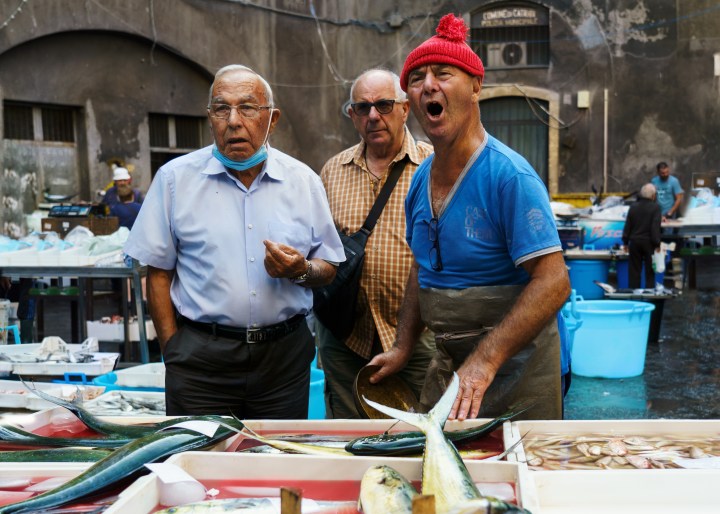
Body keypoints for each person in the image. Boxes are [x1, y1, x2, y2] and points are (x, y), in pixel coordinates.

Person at [368, 14, 571, 421]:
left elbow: (554, 281)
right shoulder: (420, 180)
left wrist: (485, 361)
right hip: (451, 364)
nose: (429, 85)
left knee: (511, 473)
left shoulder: (508, 176)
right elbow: (421, 268)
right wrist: (403, 347)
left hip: (516, 369)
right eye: (417, 78)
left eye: (444, 73)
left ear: (476, 87)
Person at [124, 64, 344, 418]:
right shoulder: (174, 181)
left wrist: (300, 270)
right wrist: (174, 352)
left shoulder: (303, 182)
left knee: (273, 465)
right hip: (200, 361)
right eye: (221, 108)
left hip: (282, 362)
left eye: (247, 108)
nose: (233, 121)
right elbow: (158, 273)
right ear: (210, 118)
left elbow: (329, 266)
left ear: (271, 119)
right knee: (196, 463)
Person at [317, 69, 436, 418]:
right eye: (362, 107)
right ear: (352, 115)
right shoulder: (332, 171)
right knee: (346, 433)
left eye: (384, 105)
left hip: (417, 335)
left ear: (404, 109)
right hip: (344, 334)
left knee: (420, 430)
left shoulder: (434, 165)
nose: (373, 116)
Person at [622, 183, 662, 289]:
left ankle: (634, 295)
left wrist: (625, 242)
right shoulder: (656, 207)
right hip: (649, 243)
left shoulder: (633, 206)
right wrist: (657, 244)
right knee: (650, 271)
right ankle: (649, 295)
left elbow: (628, 226)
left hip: (634, 242)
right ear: (653, 196)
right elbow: (655, 228)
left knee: (634, 271)